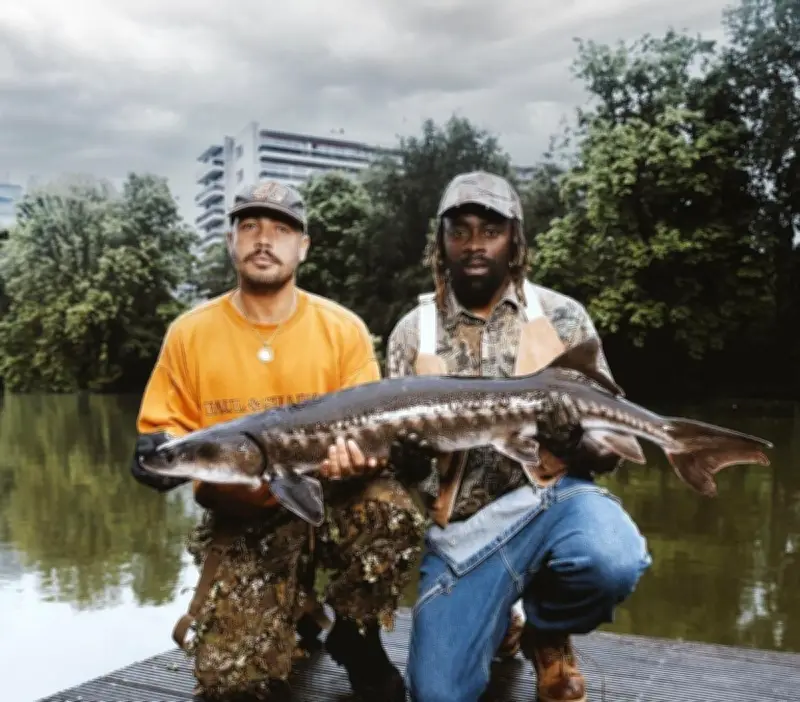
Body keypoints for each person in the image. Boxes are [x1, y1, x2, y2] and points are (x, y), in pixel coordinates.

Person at [130, 180, 426, 701]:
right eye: (250, 226)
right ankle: (296, 610)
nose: (264, 239)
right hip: (242, 519)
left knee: (391, 508)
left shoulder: (343, 328)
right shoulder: (189, 332)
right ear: (232, 241)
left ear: (302, 246)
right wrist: (155, 458)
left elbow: (371, 426)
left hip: (330, 504)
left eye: (280, 228)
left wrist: (360, 461)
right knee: (232, 687)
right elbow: (164, 433)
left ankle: (356, 634)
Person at [384, 171, 653, 702]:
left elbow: (610, 453)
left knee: (612, 558)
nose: (475, 244)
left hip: (553, 505)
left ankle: (547, 631)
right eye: (459, 231)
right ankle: (498, 620)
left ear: (516, 241)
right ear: (441, 244)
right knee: (439, 695)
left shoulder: (563, 318)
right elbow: (405, 477)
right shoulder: (411, 332)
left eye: (491, 229)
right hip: (462, 536)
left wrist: (575, 440)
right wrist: (409, 460)